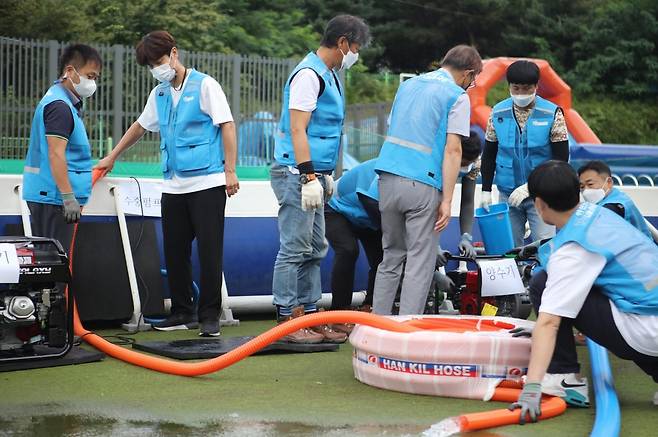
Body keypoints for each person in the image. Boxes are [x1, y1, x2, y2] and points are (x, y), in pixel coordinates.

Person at [95, 31, 239, 337]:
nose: (156, 69)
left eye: (158, 61)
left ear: (174, 54)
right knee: (174, 250)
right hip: (173, 184)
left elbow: (226, 124)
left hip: (208, 182)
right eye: (150, 65)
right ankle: (182, 311)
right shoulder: (159, 94)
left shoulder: (205, 85)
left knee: (210, 250)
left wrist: (230, 171)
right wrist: (112, 156)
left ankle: (210, 315)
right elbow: (140, 126)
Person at [509, 161, 658, 424]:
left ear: (540, 205)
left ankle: (565, 378)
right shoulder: (598, 213)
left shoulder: (574, 248)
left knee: (542, 281)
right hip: (649, 314)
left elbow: (549, 321)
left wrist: (532, 388)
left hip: (646, 329)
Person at [271, 15, 370, 343]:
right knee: (294, 247)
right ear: (343, 42)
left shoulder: (330, 75)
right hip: (296, 174)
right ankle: (287, 318)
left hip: (317, 176)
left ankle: (311, 315)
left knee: (314, 248)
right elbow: (298, 128)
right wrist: (309, 175)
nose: (355, 54)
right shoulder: (308, 74)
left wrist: (325, 177)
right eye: (355, 47)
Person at [372, 45, 482, 316]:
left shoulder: (408, 85)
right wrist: (446, 200)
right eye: (474, 79)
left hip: (386, 177)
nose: (472, 84)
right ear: (468, 73)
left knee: (391, 257)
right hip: (422, 183)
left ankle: (375, 327)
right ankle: (407, 332)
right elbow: (454, 149)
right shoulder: (456, 95)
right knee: (419, 263)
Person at [480, 60, 569, 247]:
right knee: (509, 248)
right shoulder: (497, 113)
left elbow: (561, 160)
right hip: (507, 192)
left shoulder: (552, 114)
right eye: (516, 88)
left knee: (545, 247)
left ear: (536, 86)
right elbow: (489, 154)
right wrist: (486, 190)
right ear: (509, 87)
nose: (521, 93)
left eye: (527, 88)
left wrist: (532, 186)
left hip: (542, 194)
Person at [23, 44, 102, 253]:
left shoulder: (62, 101)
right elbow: (56, 153)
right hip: (54, 198)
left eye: (95, 77)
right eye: (89, 75)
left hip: (49, 195)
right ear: (69, 71)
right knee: (52, 265)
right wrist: (68, 196)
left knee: (49, 265)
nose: (92, 82)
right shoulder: (60, 107)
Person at [325, 159, 381, 328]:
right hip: (337, 209)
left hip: (366, 217)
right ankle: (339, 313)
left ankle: (370, 306)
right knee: (348, 250)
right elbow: (369, 201)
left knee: (383, 259)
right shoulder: (376, 171)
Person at [578, 160, 652, 240]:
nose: (586, 190)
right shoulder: (613, 195)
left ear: (609, 182)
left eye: (590, 184)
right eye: (582, 187)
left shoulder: (614, 206)